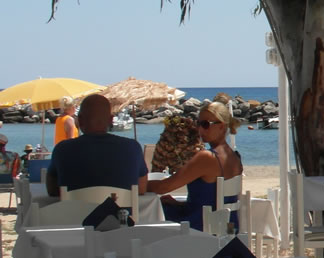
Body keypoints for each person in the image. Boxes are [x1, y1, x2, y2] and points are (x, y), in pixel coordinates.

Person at [147, 101, 243, 232]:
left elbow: (163, 187)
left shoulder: (207, 157)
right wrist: (179, 203)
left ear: (222, 126)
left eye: (205, 124)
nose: (200, 129)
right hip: (227, 225)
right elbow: (215, 202)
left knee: (148, 219)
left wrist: (140, 184)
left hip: (201, 227)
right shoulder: (235, 157)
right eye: (198, 124)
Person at [46, 94, 148, 196]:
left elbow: (52, 190)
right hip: (118, 212)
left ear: (80, 120)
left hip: (75, 211)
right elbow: (142, 188)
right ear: (111, 120)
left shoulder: (62, 150)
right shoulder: (132, 148)